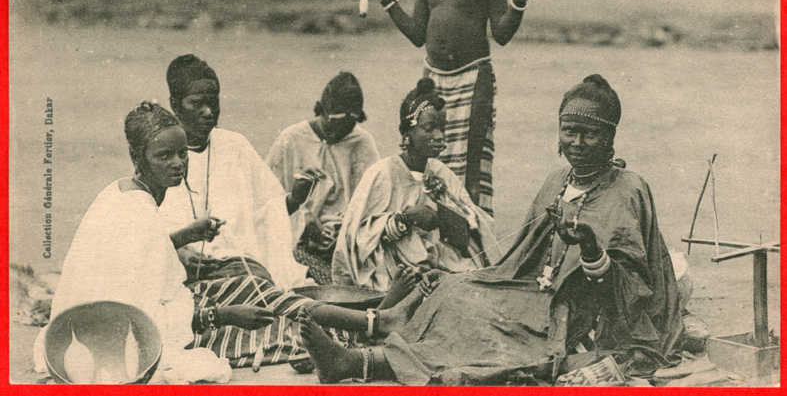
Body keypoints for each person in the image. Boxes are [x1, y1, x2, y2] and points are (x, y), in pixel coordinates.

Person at [300, 75, 684, 386]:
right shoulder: (556, 181)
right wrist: (481, 280)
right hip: (535, 291)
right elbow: (517, 262)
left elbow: (632, 291)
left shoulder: (627, 189)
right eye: (570, 131)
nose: (577, 143)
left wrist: (589, 248)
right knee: (455, 286)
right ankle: (385, 325)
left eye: (590, 135)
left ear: (610, 139)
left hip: (580, 313)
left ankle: (358, 362)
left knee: (492, 333)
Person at [33, 102, 426, 381]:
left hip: (135, 314)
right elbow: (139, 316)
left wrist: (189, 239)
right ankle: (366, 328)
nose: (176, 163)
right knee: (261, 325)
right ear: (137, 156)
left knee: (258, 294)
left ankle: (373, 322)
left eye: (179, 153)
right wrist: (220, 316)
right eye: (162, 156)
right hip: (112, 337)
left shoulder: (125, 193)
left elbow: (144, 264)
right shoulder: (136, 211)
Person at [359, 0, 539, 217]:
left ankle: (473, 243)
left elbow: (502, 34)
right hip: (433, 81)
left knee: (472, 166)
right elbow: (417, 35)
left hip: (473, 80)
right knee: (429, 159)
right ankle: (432, 234)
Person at [332, 78, 501, 292]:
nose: (439, 136)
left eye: (442, 128)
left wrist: (444, 207)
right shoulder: (382, 173)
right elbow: (355, 239)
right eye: (429, 128)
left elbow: (470, 232)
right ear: (407, 133)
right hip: (394, 270)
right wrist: (405, 217)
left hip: (440, 262)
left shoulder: (440, 172)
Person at [158, 54, 308, 288]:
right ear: (175, 105)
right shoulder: (163, 152)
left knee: (258, 290)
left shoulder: (235, 145)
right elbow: (149, 229)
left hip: (240, 265)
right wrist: (180, 253)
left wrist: (294, 199)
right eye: (198, 103)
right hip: (181, 272)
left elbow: (266, 211)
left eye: (214, 102)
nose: (209, 112)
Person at [266, 71, 380, 285]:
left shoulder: (362, 142)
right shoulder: (291, 139)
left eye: (346, 129)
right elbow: (267, 197)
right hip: (301, 237)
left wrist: (347, 227)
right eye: (332, 126)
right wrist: (303, 217)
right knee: (301, 277)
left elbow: (373, 198)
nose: (336, 135)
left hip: (346, 238)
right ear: (322, 111)